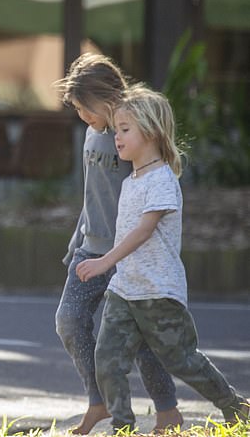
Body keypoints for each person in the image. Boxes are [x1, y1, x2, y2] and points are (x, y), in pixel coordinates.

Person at [76, 86, 249, 432]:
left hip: (158, 293)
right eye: (117, 129)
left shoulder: (161, 180)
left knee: (182, 360)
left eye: (125, 130)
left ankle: (236, 407)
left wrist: (104, 261)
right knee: (108, 361)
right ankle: (122, 426)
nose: (117, 137)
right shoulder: (133, 179)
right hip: (125, 290)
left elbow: (142, 231)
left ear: (152, 132)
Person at [53, 54, 182, 434]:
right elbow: (93, 194)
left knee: (139, 336)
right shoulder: (93, 132)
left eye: (83, 108)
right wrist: (78, 239)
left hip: (127, 254)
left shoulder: (131, 132)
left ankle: (168, 411)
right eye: (76, 109)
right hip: (90, 250)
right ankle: (100, 402)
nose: (81, 116)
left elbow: (152, 188)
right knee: (70, 321)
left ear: (106, 97)